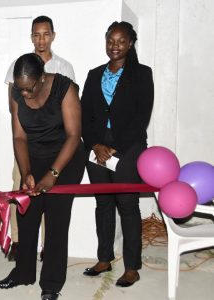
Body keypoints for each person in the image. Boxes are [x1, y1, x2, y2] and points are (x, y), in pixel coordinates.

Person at [0, 53, 85, 300]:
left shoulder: (64, 88)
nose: (24, 94)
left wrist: (53, 174)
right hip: (34, 155)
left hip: (66, 159)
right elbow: (19, 137)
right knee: (27, 213)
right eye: (20, 89)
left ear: (42, 77)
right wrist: (26, 173)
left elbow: (73, 135)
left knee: (56, 218)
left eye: (29, 89)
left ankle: (51, 282)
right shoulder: (17, 92)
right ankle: (24, 272)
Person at [81, 21, 154, 287]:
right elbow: (84, 115)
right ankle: (104, 258)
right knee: (103, 203)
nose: (115, 45)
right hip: (97, 148)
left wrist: (116, 148)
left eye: (121, 41)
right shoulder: (93, 74)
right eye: (111, 40)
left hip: (129, 147)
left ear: (131, 43)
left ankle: (132, 266)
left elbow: (141, 117)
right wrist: (95, 145)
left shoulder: (142, 74)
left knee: (128, 205)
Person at [4, 15, 75, 261]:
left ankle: (46, 246)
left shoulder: (64, 69)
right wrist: (25, 169)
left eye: (46, 34)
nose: (41, 39)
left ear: (53, 36)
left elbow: (71, 122)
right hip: (27, 142)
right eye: (36, 34)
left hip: (56, 147)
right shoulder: (18, 66)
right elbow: (15, 111)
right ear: (31, 36)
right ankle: (18, 241)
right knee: (21, 187)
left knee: (51, 199)